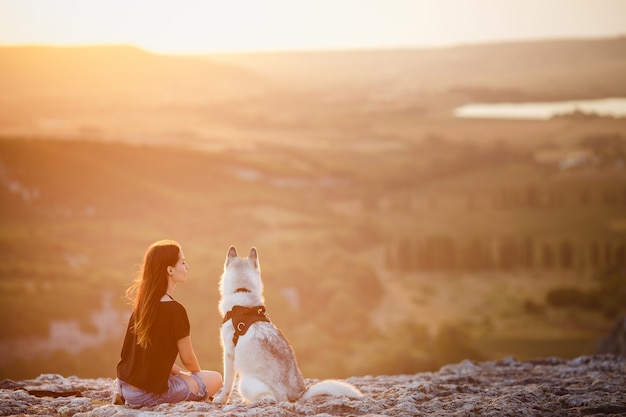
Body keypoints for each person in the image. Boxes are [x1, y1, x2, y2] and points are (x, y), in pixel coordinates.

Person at [114, 240, 222, 407]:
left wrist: (182, 374)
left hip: (124, 384)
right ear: (170, 270)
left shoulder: (144, 305)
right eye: (183, 262)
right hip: (146, 392)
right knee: (215, 379)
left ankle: (125, 396)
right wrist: (197, 379)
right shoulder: (175, 310)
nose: (187, 267)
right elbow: (188, 359)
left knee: (185, 377)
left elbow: (152, 354)